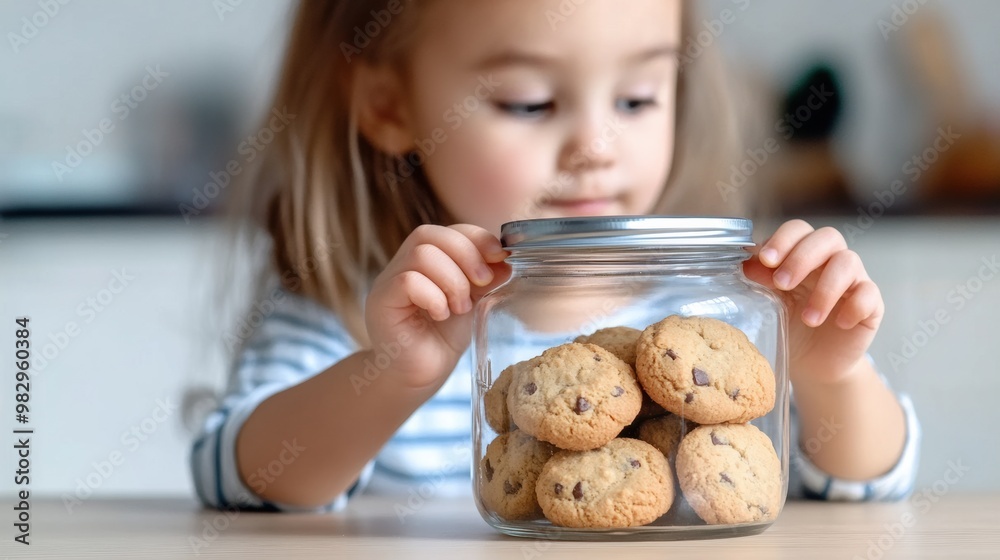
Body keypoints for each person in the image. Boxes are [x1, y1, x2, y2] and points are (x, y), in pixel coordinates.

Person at [190, 0, 919, 512]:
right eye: (530, 103)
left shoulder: (717, 311)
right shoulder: (356, 310)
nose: (596, 149)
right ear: (389, 105)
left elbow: (868, 483)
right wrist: (390, 373)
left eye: (637, 98)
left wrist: (832, 375)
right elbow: (234, 473)